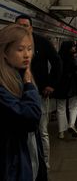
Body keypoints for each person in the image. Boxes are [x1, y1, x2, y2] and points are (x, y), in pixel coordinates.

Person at [0, 24, 47, 181]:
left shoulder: (19, 75)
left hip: (27, 161)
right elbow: (30, 119)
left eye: (29, 48)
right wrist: (29, 85)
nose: (27, 55)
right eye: (20, 50)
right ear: (5, 53)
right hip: (12, 167)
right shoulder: (3, 86)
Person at [15, 14, 62, 169]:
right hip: (16, 93)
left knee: (41, 131)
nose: (22, 28)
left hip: (39, 93)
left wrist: (51, 84)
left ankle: (44, 165)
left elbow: (57, 62)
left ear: (31, 27)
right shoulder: (9, 44)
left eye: (25, 25)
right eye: (19, 25)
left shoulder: (41, 42)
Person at [55, 40, 77, 139]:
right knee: (74, 106)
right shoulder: (74, 59)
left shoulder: (57, 58)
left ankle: (61, 132)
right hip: (73, 86)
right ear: (69, 48)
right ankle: (71, 124)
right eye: (73, 47)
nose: (74, 49)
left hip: (60, 86)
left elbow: (54, 73)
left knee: (60, 109)